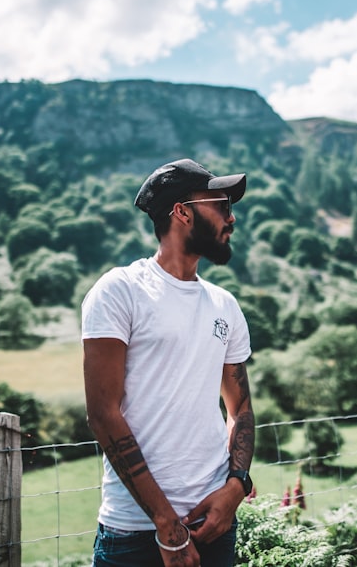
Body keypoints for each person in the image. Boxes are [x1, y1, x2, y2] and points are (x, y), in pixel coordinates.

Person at [82, 158, 255, 567]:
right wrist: (166, 524)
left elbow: (241, 408)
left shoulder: (224, 305)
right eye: (222, 205)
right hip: (136, 535)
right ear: (182, 211)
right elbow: (102, 414)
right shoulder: (119, 291)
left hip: (215, 524)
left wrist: (235, 489)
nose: (232, 218)